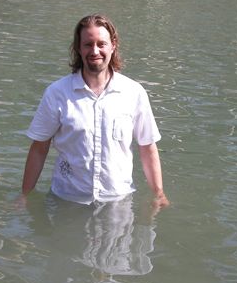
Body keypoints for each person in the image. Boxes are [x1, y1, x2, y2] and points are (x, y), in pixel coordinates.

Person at [21, 14, 169, 209]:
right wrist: (25, 195)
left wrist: (159, 193)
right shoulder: (57, 93)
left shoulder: (134, 92)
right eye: (88, 44)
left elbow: (147, 146)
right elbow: (39, 148)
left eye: (101, 44)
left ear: (113, 45)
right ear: (78, 48)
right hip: (67, 200)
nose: (95, 51)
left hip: (118, 202)